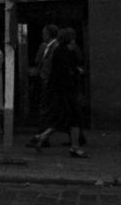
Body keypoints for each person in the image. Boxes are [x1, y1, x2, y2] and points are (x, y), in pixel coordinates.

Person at [29, 27, 88, 158]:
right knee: (73, 117)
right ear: (70, 38)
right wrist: (77, 72)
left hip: (59, 90)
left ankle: (42, 137)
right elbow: (67, 70)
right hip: (65, 91)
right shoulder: (66, 52)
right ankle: (74, 147)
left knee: (64, 118)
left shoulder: (58, 50)